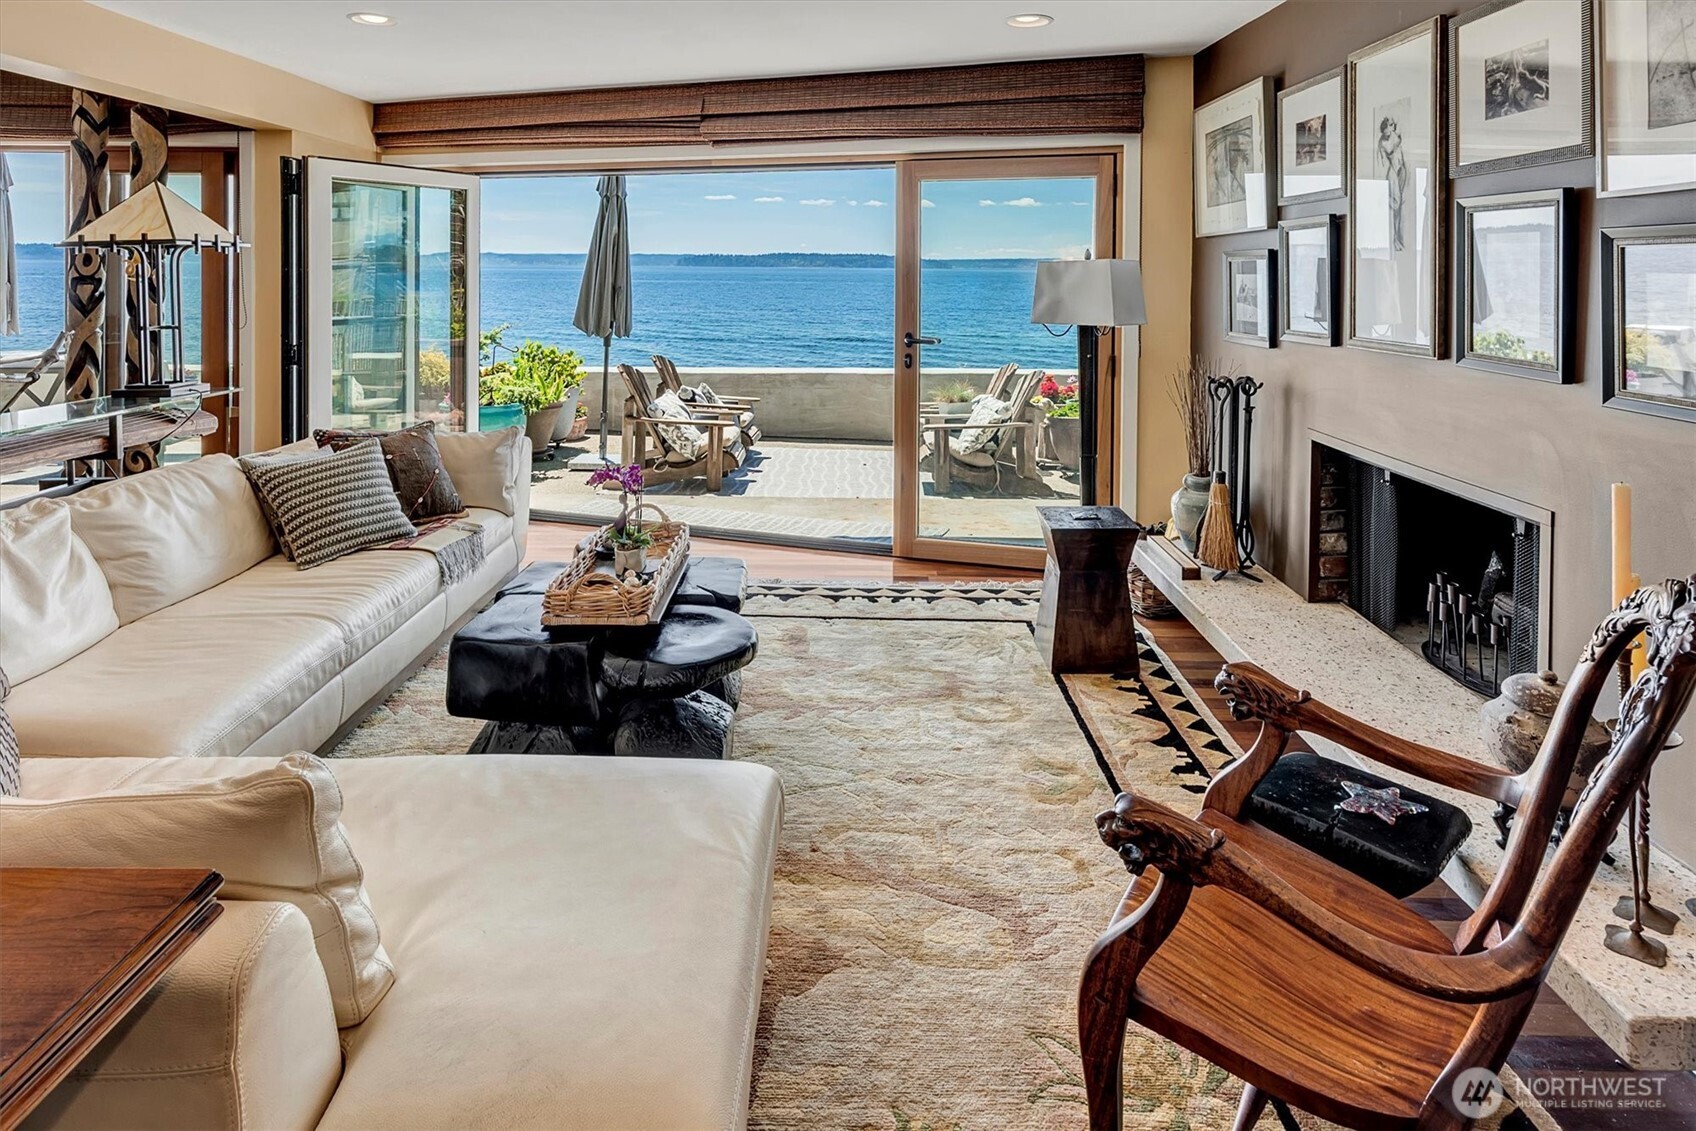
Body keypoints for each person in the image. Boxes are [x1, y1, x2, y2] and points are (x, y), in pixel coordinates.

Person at [1377, 115, 1409, 252]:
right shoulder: (1382, 142)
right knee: (1396, 205)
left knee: (1400, 207)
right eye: (1389, 126)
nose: (1390, 128)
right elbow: (1387, 156)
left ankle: (1398, 239)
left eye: (1391, 125)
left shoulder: (1395, 135)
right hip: (1393, 173)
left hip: (1401, 170)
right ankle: (1394, 239)